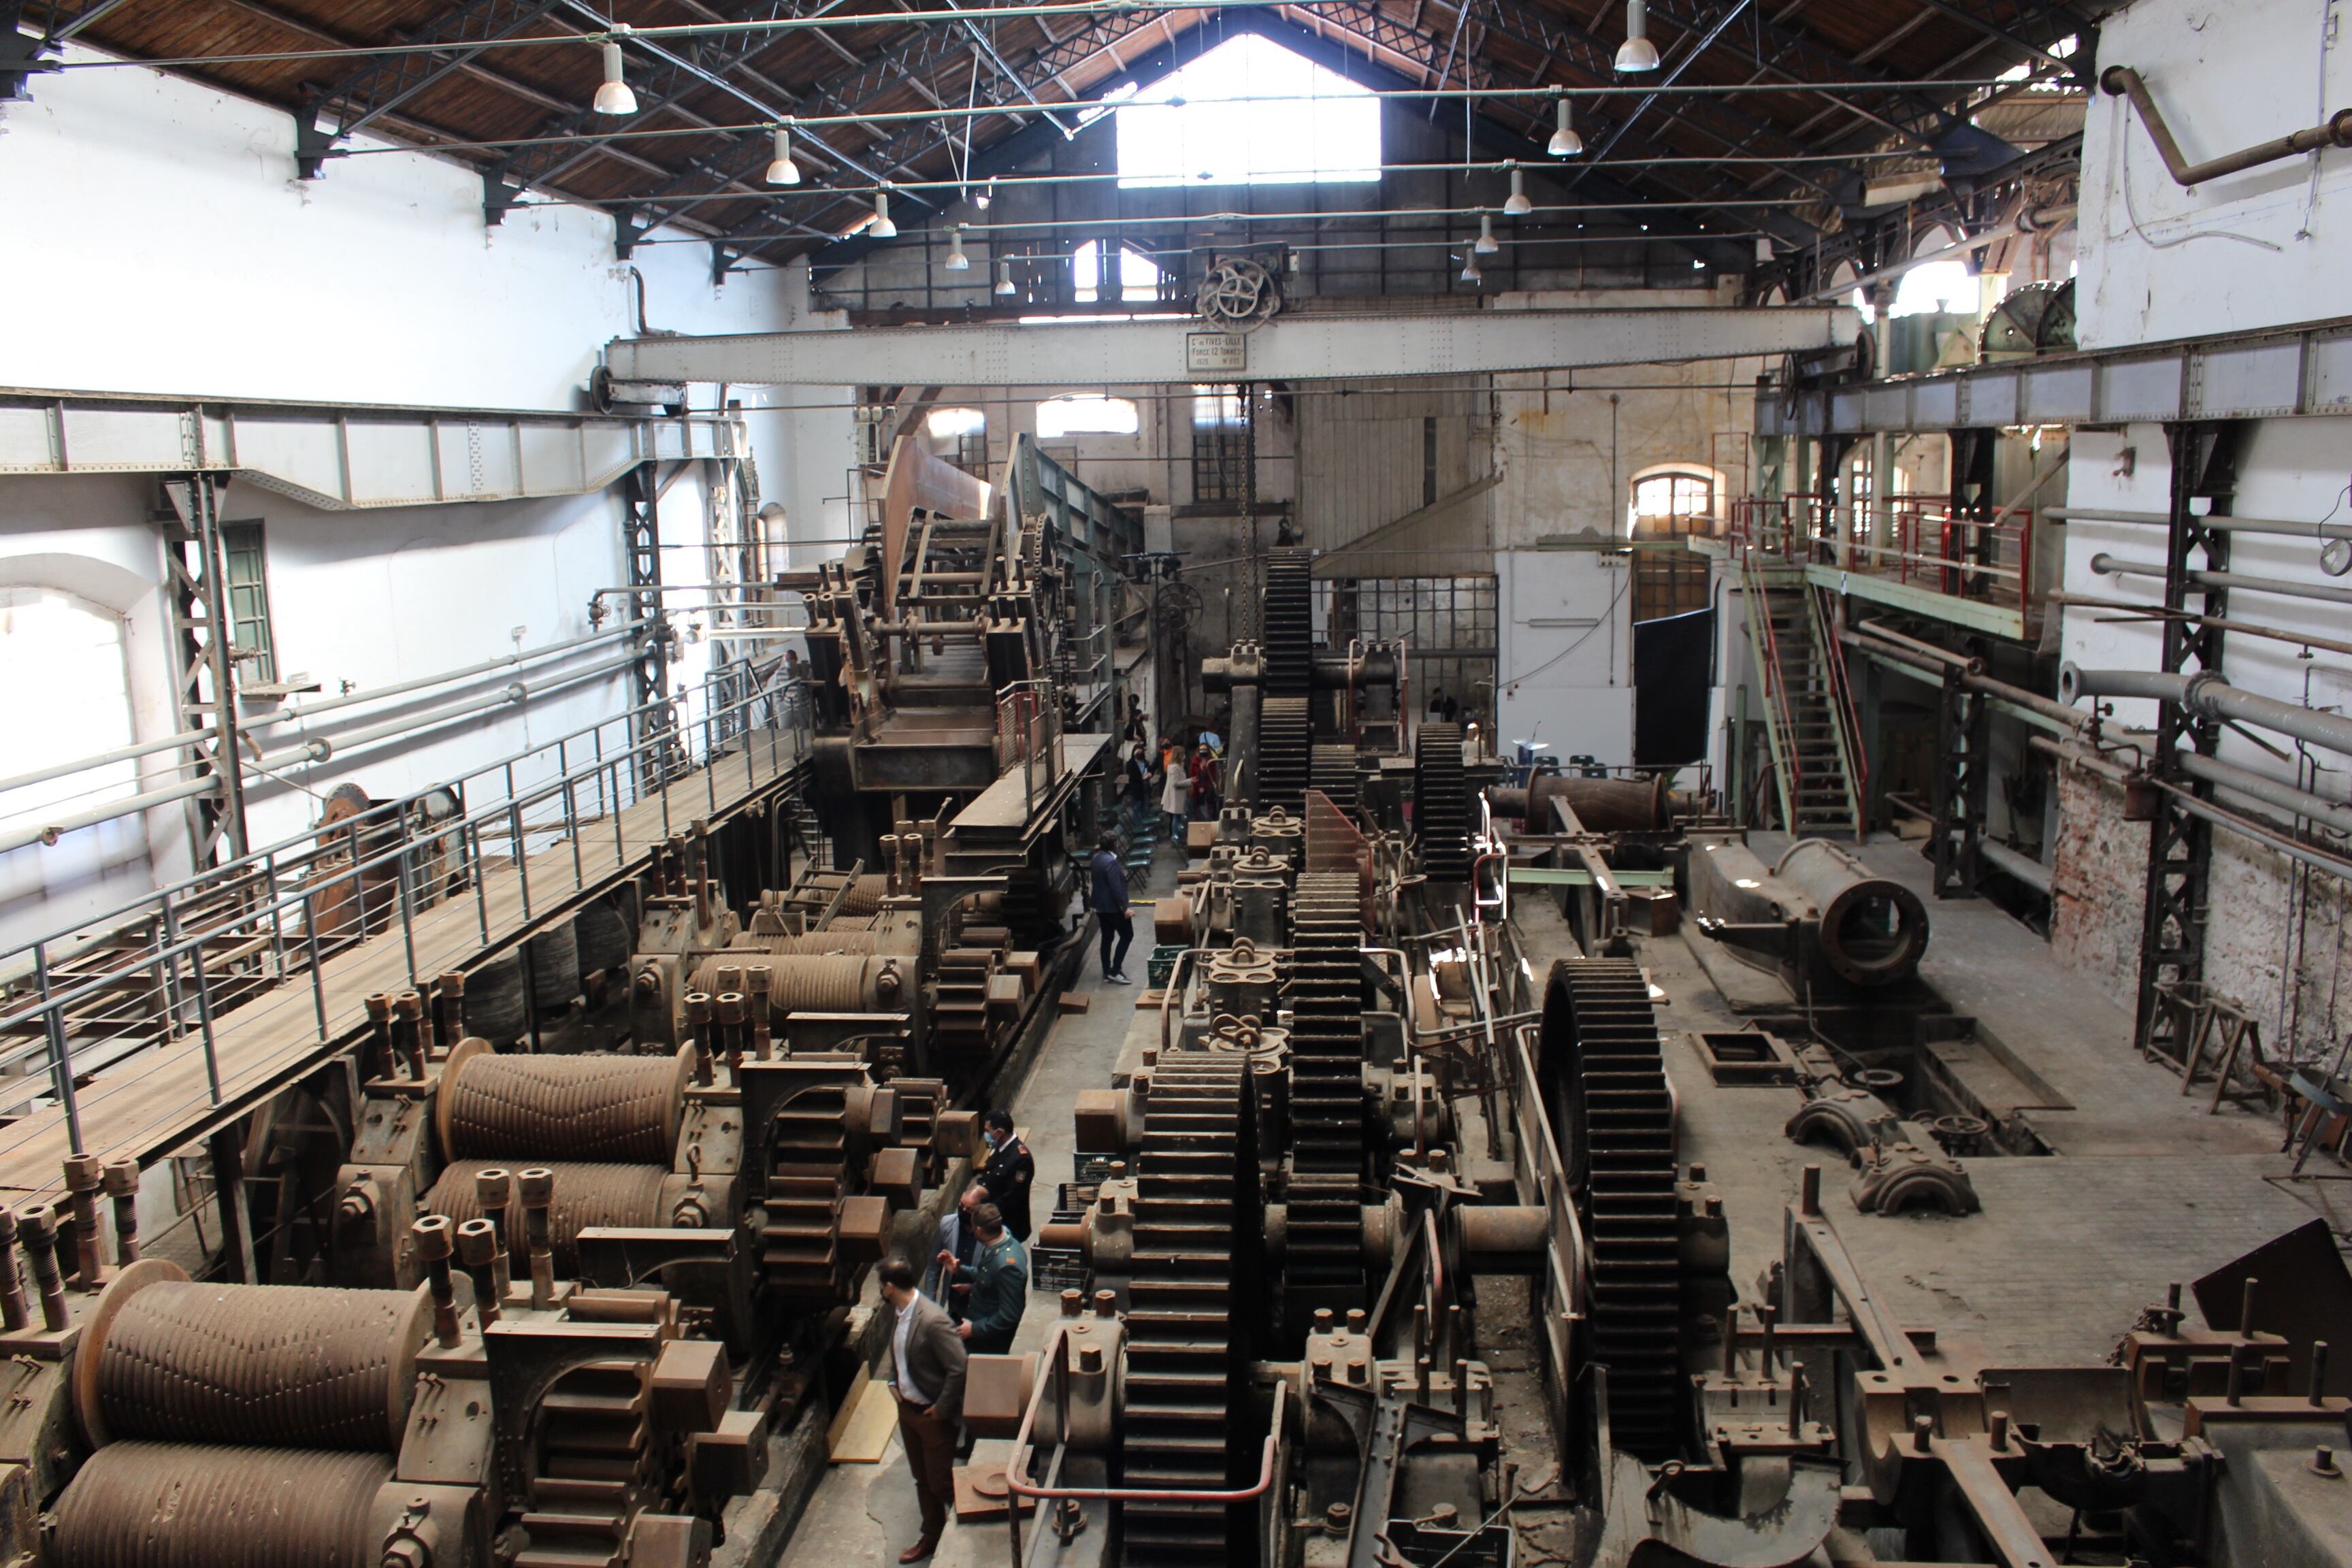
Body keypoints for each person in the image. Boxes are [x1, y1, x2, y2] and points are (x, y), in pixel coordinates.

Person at [877, 1256, 966, 1564]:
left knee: (940, 1481)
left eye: (881, 1286)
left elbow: (959, 1367)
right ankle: (933, 1534)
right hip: (909, 1412)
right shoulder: (899, 1312)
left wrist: (941, 1409)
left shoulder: (932, 1320)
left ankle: (967, 1528)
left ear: (889, 1287)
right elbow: (900, 1352)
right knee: (922, 1479)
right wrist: (893, 1381)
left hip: (932, 1416)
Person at [956, 1203, 1028, 1355]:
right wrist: (960, 1269)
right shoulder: (1000, 1245)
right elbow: (988, 1277)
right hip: (979, 1330)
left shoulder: (1007, 1266)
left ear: (980, 1231)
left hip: (990, 1344)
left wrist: (973, 1330)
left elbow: (1009, 1316)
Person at [926, 1183, 985, 1320]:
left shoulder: (990, 1233)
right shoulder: (947, 1224)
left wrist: (972, 1288)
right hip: (952, 1301)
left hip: (978, 1305)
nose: (963, 1210)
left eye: (969, 1209)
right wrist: (931, 1302)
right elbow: (933, 1266)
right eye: (961, 1205)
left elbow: (993, 1277)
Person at [977, 1108, 1036, 1240]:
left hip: (1009, 1225)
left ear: (999, 1133)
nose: (986, 1135)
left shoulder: (1021, 1159)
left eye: (988, 1131)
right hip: (992, 1219)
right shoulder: (999, 1147)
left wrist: (985, 1212)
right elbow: (989, 1174)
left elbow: (1012, 1196)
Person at [1090, 834, 1133, 984]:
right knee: (1127, 935)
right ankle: (1115, 971)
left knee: (1107, 939)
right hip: (1113, 909)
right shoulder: (1111, 862)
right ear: (1113, 844)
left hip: (1101, 908)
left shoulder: (1096, 858)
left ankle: (1106, 972)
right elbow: (1116, 888)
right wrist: (1125, 908)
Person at [1122, 742, 1155, 840]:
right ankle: (1137, 829)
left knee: (1144, 808)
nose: (1140, 753)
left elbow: (1150, 770)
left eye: (1141, 752)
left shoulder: (1145, 762)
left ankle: (1142, 827)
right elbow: (1131, 776)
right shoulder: (1131, 763)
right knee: (1136, 808)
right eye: (1138, 752)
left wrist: (1150, 774)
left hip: (1145, 787)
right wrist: (1141, 778)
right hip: (1136, 789)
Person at [1159, 738, 1188, 843]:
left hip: (1178, 795)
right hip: (1175, 796)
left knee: (1178, 817)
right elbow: (1176, 783)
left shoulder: (1178, 766)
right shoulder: (1175, 768)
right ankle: (1175, 837)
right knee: (1176, 817)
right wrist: (1189, 782)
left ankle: (1178, 836)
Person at [1188, 744, 1221, 820]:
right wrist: (1199, 787)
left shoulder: (1211, 762)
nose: (1203, 751)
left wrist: (1205, 788)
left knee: (1208, 811)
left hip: (1208, 789)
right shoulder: (1195, 762)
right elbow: (1192, 775)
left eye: (1205, 749)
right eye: (1201, 750)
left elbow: (1213, 776)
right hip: (1197, 789)